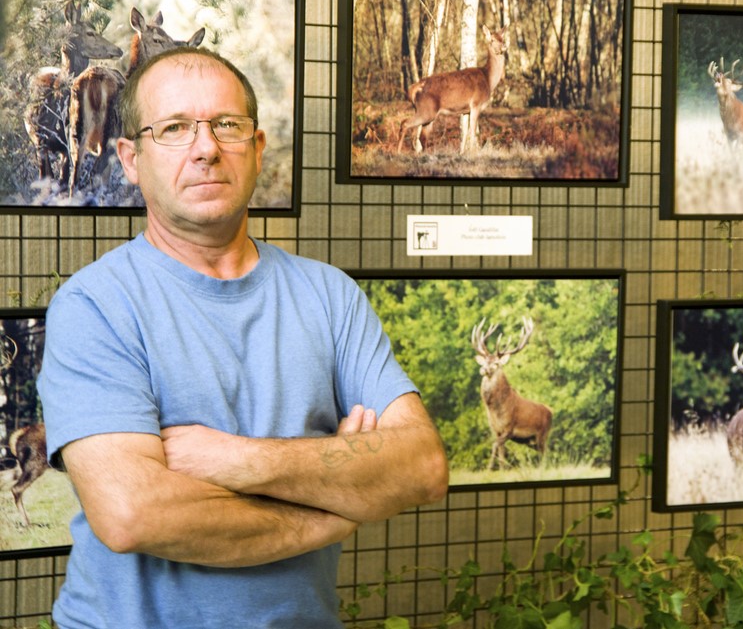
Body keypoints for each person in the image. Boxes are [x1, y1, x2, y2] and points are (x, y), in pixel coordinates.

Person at [38, 47, 449, 628]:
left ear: (257, 149)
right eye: (174, 128)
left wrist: (230, 459)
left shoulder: (330, 295)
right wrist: (330, 508)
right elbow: (132, 513)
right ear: (131, 159)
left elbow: (421, 466)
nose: (206, 148)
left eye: (226, 125)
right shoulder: (95, 306)